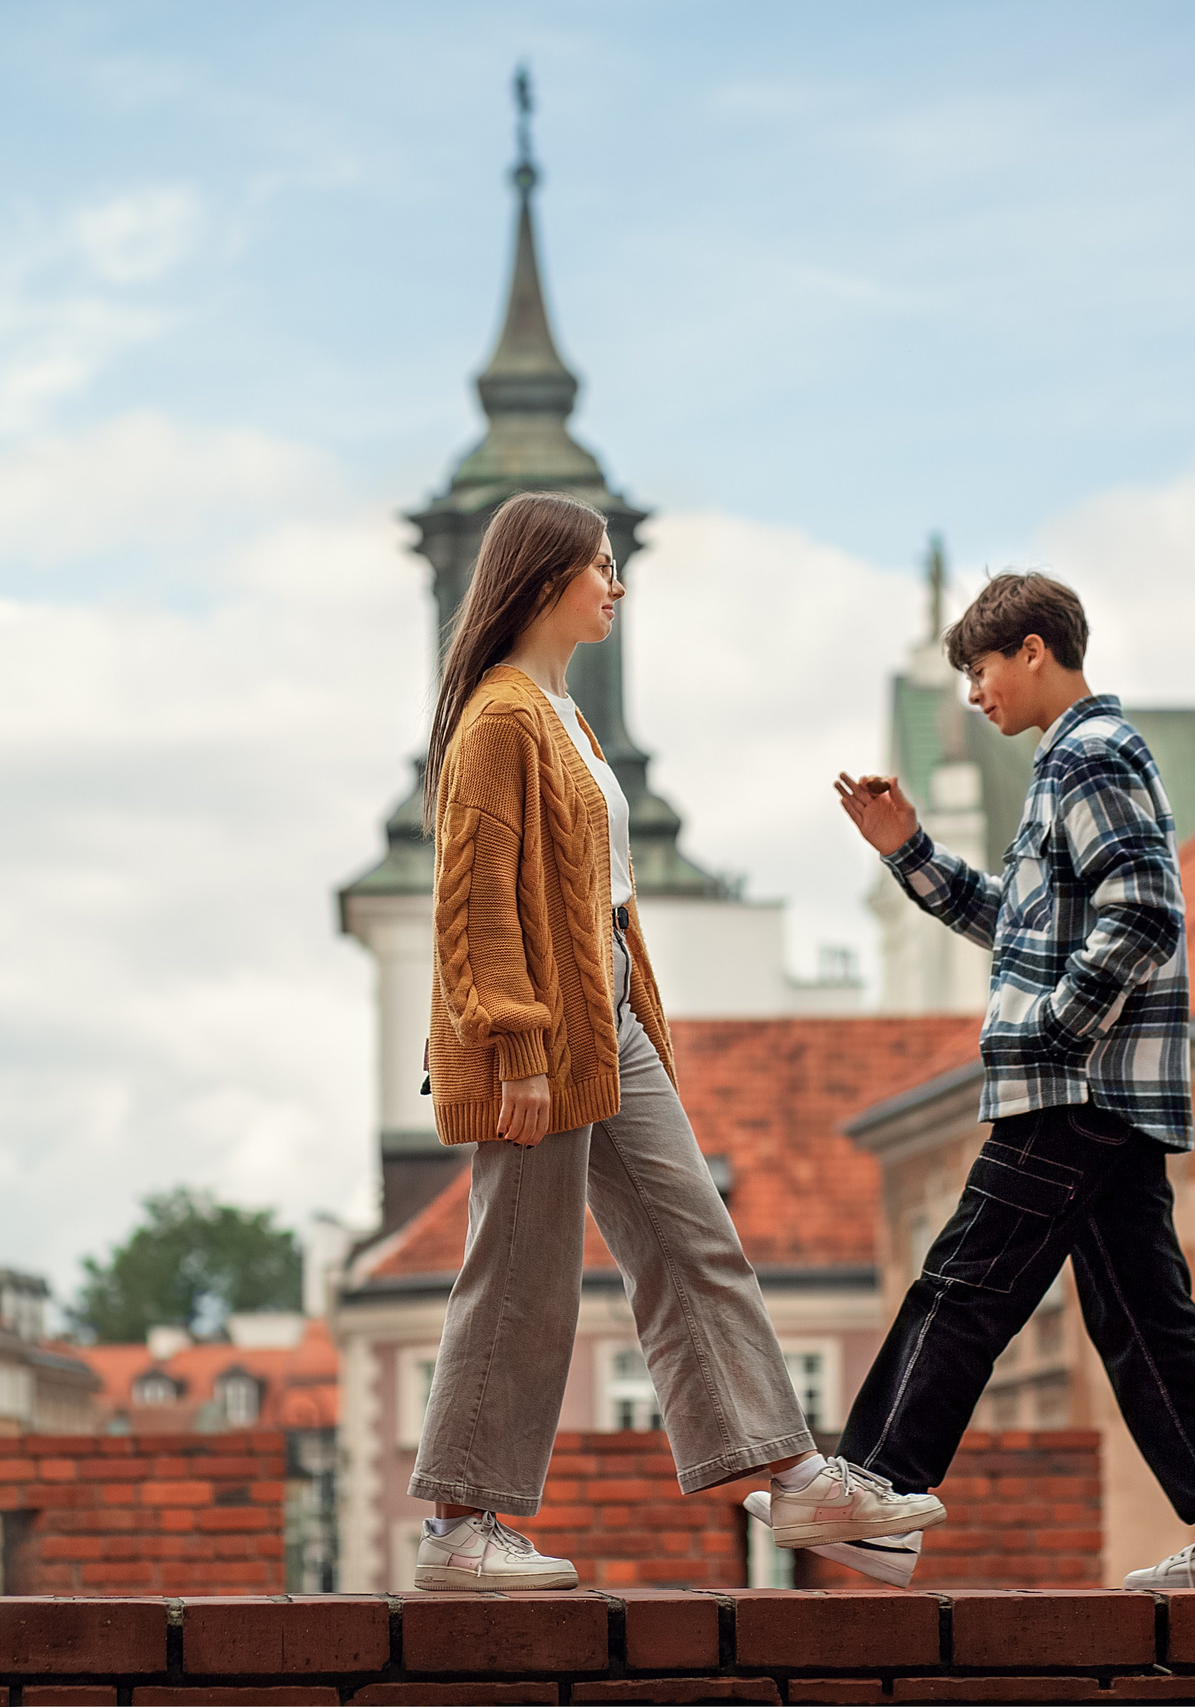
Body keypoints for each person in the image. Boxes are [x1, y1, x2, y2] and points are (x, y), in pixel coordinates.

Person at [407, 490, 942, 1591]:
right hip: (543, 1025)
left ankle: (789, 1479)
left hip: (605, 1014)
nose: (617, 583)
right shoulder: (501, 714)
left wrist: (625, 1020)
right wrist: (512, 1042)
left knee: (694, 1239)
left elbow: (592, 896)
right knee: (520, 1263)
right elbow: (472, 899)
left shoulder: (563, 714)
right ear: (547, 577)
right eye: (601, 565)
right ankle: (461, 1529)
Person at [824, 571, 1195, 1590]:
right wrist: (907, 851)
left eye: (983, 669)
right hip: (1100, 1090)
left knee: (962, 1283)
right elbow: (1026, 928)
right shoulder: (1071, 764)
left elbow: (1142, 914)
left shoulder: (1088, 756)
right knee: (1142, 1320)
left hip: (1073, 1088)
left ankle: (875, 1490)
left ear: (1034, 650)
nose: (973, 693)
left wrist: (1053, 1033)